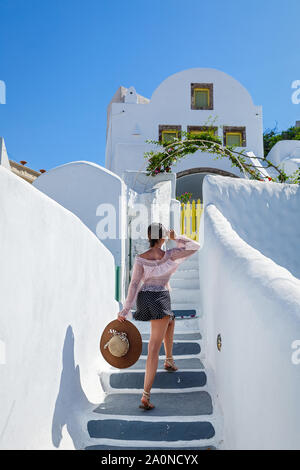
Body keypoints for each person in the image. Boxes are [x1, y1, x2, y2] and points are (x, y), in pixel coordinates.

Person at [117, 222, 201, 410]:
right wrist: (176, 237)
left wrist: (125, 309)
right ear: (162, 237)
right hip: (161, 297)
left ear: (149, 237)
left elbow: (134, 285)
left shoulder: (140, 259)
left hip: (145, 298)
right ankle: (145, 395)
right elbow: (195, 246)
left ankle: (169, 360)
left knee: (170, 320)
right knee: (153, 348)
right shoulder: (170, 255)